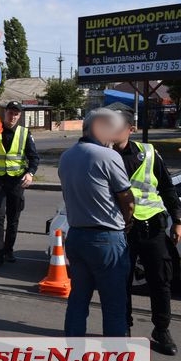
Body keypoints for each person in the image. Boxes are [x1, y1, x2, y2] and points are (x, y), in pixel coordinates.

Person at [106, 102, 178, 355]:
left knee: (160, 281)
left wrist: (178, 220)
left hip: (153, 228)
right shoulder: (104, 156)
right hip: (121, 232)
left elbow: (168, 188)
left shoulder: (148, 153)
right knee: (121, 283)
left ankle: (161, 329)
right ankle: (123, 328)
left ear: (131, 129)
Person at [59, 108, 135, 337]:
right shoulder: (107, 156)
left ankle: (73, 353)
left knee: (78, 300)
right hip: (106, 239)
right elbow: (126, 198)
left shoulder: (66, 156)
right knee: (114, 305)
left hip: (77, 236)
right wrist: (128, 220)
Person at [0, 101, 40, 267]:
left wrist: (30, 174)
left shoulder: (24, 133)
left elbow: (34, 157)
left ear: (19, 115)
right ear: (5, 113)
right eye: (11, 112)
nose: (13, 116)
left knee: (13, 218)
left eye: (16, 113)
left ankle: (9, 250)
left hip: (17, 181)